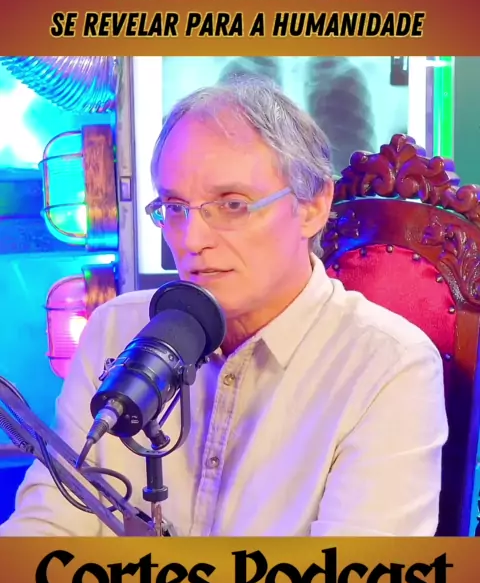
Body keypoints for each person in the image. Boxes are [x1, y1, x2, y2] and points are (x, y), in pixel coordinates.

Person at [0, 77, 448, 538]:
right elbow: (47, 522)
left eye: (233, 205)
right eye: (175, 207)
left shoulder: (390, 366)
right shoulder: (116, 327)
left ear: (313, 206)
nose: (191, 240)